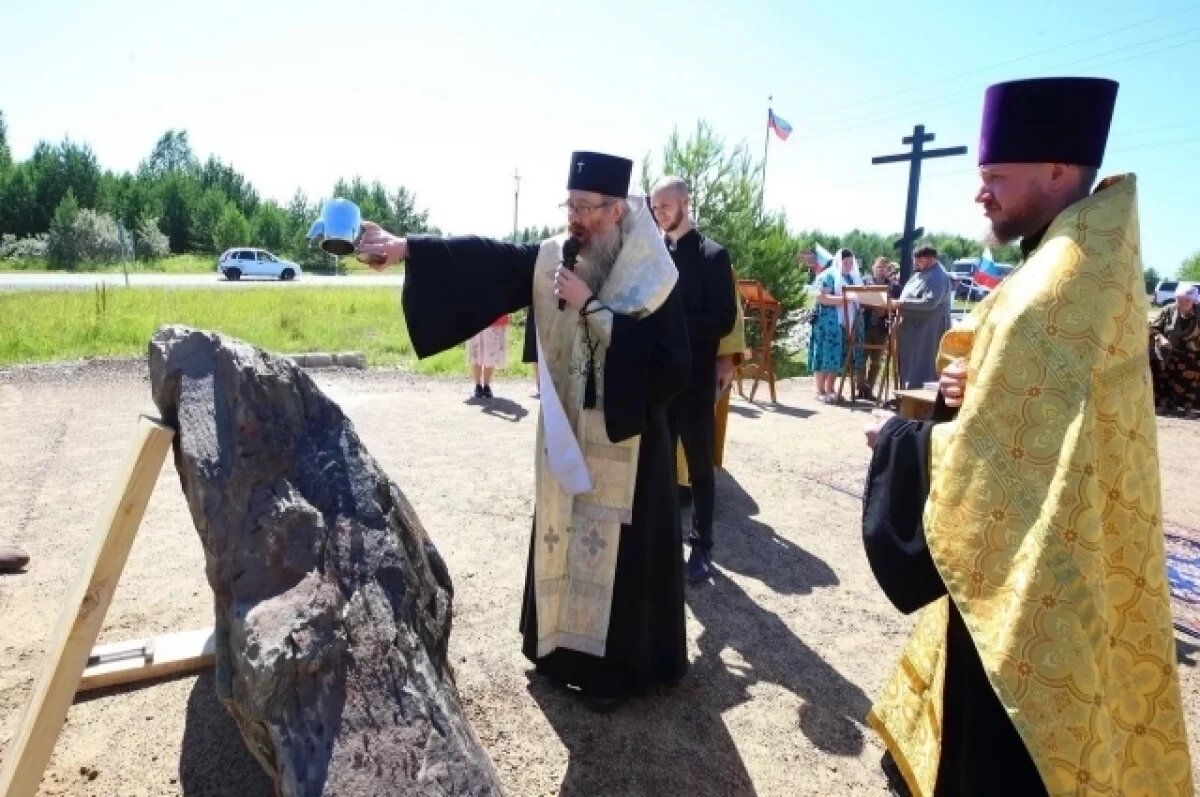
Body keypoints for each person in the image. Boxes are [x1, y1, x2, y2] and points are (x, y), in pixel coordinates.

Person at [862, 77, 1193, 797]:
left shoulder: (1057, 280)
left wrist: (895, 440)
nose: (981, 194)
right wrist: (973, 390)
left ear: (1053, 169)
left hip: (1032, 585)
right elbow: (1041, 420)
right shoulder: (1083, 256)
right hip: (1063, 552)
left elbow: (991, 461)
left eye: (994, 177)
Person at [356, 151, 691, 711]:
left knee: (622, 555)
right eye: (571, 205)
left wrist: (593, 310)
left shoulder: (654, 272)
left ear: (615, 210)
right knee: (562, 531)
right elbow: (491, 260)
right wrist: (405, 247)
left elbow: (673, 364)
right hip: (569, 431)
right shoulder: (558, 255)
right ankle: (560, 652)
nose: (575, 217)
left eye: (586, 208)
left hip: (630, 441)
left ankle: (619, 673)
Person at [650, 177, 736, 582]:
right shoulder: (654, 252)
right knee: (660, 464)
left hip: (696, 379)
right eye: (655, 208)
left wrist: (673, 324)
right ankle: (664, 541)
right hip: (659, 381)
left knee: (700, 467)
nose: (659, 213)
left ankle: (702, 546)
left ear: (685, 202)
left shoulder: (713, 256)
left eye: (665, 206)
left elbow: (723, 319)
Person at [675, 268, 746, 510]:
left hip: (698, 360)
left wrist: (726, 358)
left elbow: (729, 310)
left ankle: (684, 483)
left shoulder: (712, 260)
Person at [807, 248, 864, 403]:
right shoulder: (828, 276)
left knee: (837, 355)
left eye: (851, 262)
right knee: (824, 354)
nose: (848, 265)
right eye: (845, 262)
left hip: (846, 323)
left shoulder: (852, 278)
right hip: (827, 322)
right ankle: (820, 390)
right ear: (839, 261)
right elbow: (821, 298)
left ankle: (831, 389)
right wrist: (844, 300)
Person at [893, 244, 952, 390]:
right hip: (913, 328)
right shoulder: (923, 272)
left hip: (928, 329)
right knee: (911, 363)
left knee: (923, 363)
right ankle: (906, 393)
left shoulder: (938, 276)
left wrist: (902, 303)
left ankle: (919, 398)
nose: (915, 263)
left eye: (918, 260)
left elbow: (930, 302)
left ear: (929, 259)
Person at [1149, 283, 1199, 415]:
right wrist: (1161, 338)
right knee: (1160, 364)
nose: (1183, 303)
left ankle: (1189, 406)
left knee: (1191, 368)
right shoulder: (1168, 310)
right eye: (1179, 299)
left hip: (1193, 353)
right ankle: (1164, 402)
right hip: (1168, 350)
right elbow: (1153, 328)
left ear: (1193, 300)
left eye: (1187, 300)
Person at [857, 256, 899, 400]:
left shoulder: (894, 286)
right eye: (878, 267)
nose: (881, 271)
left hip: (882, 327)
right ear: (873, 268)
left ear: (889, 270)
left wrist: (888, 308)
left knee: (876, 361)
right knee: (861, 359)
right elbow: (859, 301)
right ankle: (860, 388)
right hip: (866, 324)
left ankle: (869, 390)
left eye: (884, 268)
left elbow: (897, 306)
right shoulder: (865, 282)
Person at [467, 313, 508, 399]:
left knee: (491, 351)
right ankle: (478, 385)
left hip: (494, 315)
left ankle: (486, 385)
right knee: (475, 350)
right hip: (475, 314)